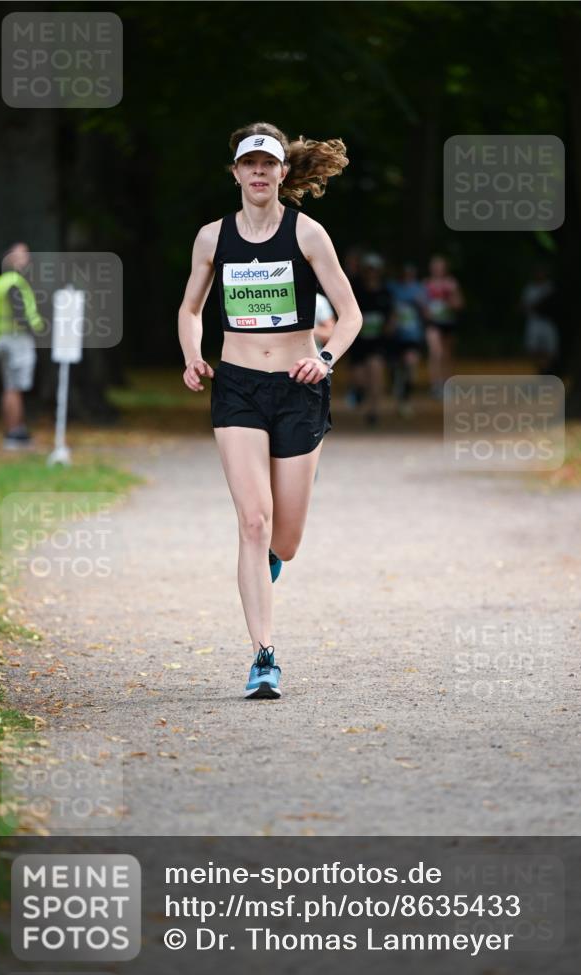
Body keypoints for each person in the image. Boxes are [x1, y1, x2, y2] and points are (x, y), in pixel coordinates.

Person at [177, 122, 362, 700]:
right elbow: (190, 309)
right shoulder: (212, 238)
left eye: (268, 163)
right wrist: (191, 356)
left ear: (283, 173)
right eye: (248, 163)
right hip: (236, 388)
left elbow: (351, 314)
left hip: (298, 388)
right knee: (253, 523)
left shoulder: (308, 234)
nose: (258, 171)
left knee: (286, 538)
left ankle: (270, 562)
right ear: (235, 172)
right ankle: (263, 657)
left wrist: (325, 358)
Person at [0, 242, 45, 449]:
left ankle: (16, 430)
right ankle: (14, 432)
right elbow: (21, 314)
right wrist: (38, 331)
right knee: (14, 388)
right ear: (8, 258)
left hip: (0, 340)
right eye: (21, 255)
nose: (26, 259)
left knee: (10, 387)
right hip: (16, 340)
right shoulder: (14, 282)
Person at [346, 253, 395, 426]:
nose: (372, 273)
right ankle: (359, 391)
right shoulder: (356, 290)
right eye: (369, 270)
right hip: (358, 341)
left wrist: (390, 326)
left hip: (378, 341)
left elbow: (391, 314)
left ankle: (374, 410)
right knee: (359, 378)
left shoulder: (385, 292)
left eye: (375, 270)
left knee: (376, 371)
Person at [386, 262, 428, 416]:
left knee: (410, 365)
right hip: (395, 335)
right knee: (395, 367)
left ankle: (405, 399)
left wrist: (420, 304)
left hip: (413, 335)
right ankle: (397, 392)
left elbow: (427, 313)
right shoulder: (392, 288)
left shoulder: (420, 289)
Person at [423, 254, 464, 399]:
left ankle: (447, 384)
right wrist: (426, 311)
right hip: (433, 324)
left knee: (447, 355)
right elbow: (422, 304)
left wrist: (451, 300)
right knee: (436, 352)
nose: (437, 269)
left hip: (448, 323)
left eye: (440, 266)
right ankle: (435, 385)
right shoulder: (426, 283)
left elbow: (459, 304)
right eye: (435, 266)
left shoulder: (451, 283)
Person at [520, 264, 560, 375]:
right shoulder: (530, 289)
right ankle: (541, 368)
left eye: (541, 272)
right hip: (534, 321)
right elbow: (523, 306)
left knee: (550, 349)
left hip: (548, 321)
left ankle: (547, 369)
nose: (539, 274)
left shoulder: (550, 287)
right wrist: (533, 307)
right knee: (533, 348)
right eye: (538, 272)